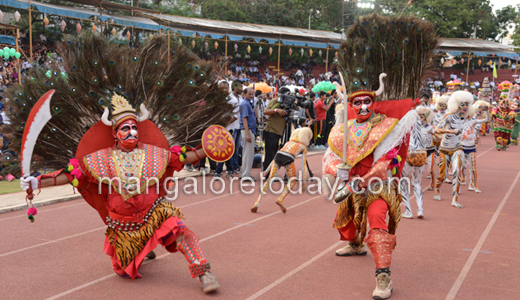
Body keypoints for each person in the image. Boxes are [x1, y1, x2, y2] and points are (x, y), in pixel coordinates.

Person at [20, 96, 220, 292]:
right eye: (126, 128)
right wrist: (37, 181)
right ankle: (143, 248)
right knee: (124, 272)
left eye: (134, 128)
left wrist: (208, 150)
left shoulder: (153, 153)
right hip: (124, 229)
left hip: (155, 214)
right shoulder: (98, 160)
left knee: (179, 229)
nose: (132, 132)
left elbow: (182, 158)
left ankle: (204, 271)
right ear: (115, 133)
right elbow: (72, 175)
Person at [323, 73, 421, 300]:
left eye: (368, 101)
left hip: (378, 185)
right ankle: (356, 245)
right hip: (351, 184)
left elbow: (388, 160)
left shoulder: (388, 128)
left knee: (377, 220)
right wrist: (337, 169)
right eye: (357, 102)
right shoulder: (341, 130)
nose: (363, 106)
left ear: (374, 103)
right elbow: (330, 157)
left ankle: (383, 276)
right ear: (351, 106)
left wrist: (364, 180)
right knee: (345, 218)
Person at [251, 127, 312, 213]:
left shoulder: (288, 142)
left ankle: (257, 203)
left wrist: (267, 170)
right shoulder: (303, 147)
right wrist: (304, 181)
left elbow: (276, 155)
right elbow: (303, 164)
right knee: (292, 181)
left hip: (278, 156)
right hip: (288, 159)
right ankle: (280, 199)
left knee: (269, 180)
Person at [433, 91, 474, 208]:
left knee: (457, 171)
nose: (465, 107)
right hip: (445, 148)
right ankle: (437, 189)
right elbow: (437, 130)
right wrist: (451, 131)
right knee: (443, 174)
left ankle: (455, 199)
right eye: (462, 104)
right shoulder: (449, 116)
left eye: (467, 104)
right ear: (456, 105)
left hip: (458, 147)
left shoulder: (466, 118)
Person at [401, 107, 435, 219]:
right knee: (417, 183)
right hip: (422, 153)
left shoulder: (409, 123)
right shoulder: (427, 127)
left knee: (403, 180)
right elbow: (438, 135)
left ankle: (408, 211)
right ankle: (420, 209)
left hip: (412, 152)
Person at [460, 101, 490, 193]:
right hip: (461, 147)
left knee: (473, 167)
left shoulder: (474, 121)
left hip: (471, 147)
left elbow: (487, 119)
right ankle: (459, 184)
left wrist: (487, 111)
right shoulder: (459, 121)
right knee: (461, 166)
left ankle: (473, 185)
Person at [215, 80, 241, 178]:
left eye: (226, 88)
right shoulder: (216, 98)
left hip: (228, 128)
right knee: (224, 148)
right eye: (222, 88)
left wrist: (226, 123)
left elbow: (236, 115)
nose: (224, 90)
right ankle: (230, 169)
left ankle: (218, 171)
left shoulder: (233, 100)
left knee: (223, 148)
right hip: (217, 127)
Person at [262, 87, 289, 172]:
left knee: (274, 153)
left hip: (279, 131)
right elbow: (265, 111)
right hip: (271, 130)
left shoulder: (287, 104)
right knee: (270, 154)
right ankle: (267, 173)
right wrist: (276, 110)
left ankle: (272, 172)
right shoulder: (275, 101)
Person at [426, 96, 449, 189]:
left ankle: (444, 177)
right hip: (434, 142)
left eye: (444, 105)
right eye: (440, 105)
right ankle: (431, 182)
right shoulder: (433, 116)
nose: (442, 107)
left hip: (445, 142)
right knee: (431, 163)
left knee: (444, 162)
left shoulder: (449, 116)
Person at [239, 88, 257, 180]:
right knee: (248, 154)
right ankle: (245, 175)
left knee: (246, 153)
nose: (251, 96)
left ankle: (243, 173)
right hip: (248, 130)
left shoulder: (247, 103)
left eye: (252, 94)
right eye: (249, 94)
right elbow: (244, 119)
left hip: (249, 130)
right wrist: (248, 134)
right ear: (244, 94)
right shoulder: (245, 104)